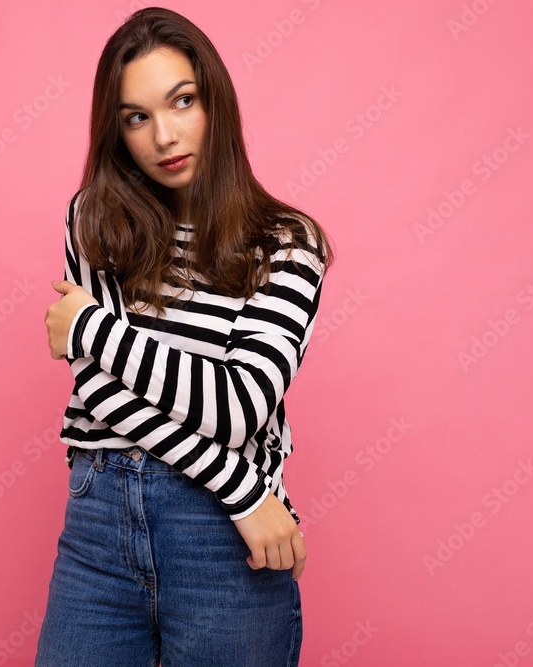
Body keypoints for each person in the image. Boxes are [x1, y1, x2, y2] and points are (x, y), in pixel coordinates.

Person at [36, 7, 335, 667]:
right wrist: (245, 489)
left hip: (222, 540)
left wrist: (90, 326)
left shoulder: (286, 243)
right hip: (101, 523)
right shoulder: (94, 220)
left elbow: (238, 406)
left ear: (214, 100)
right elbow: (99, 390)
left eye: (182, 101)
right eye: (135, 117)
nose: (164, 136)